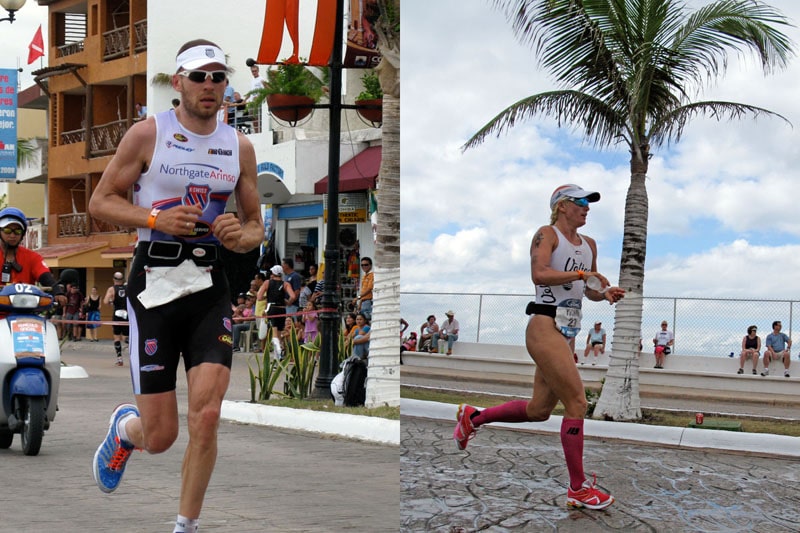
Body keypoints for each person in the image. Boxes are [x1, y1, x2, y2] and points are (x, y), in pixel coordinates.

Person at [87, 38, 263, 533]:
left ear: (226, 85)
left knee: (206, 416)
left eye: (218, 77)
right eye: (199, 76)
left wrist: (239, 234)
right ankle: (127, 430)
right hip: (154, 286)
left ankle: (185, 526)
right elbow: (101, 202)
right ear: (179, 82)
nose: (210, 86)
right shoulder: (148, 135)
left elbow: (255, 227)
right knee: (161, 436)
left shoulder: (239, 146)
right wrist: (153, 218)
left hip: (209, 283)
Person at [453, 184, 625, 511]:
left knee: (538, 410)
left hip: (567, 330)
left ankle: (473, 418)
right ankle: (578, 489)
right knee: (577, 402)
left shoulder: (589, 244)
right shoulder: (547, 235)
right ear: (561, 206)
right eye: (581, 202)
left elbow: (585, 289)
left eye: (589, 203)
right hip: (544, 326)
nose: (587, 208)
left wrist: (604, 293)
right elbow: (539, 273)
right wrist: (580, 272)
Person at [0, 207, 66, 308]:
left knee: (47, 324)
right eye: (8, 230)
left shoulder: (33, 257)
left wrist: (57, 291)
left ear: (22, 234)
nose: (12, 235)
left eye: (17, 231)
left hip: (27, 313)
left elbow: (45, 276)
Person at [104, 272, 130, 366]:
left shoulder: (111, 289)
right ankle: (133, 354)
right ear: (122, 280)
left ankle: (119, 359)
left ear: (113, 279)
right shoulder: (128, 288)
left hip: (117, 313)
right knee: (126, 336)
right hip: (127, 313)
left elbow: (105, 301)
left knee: (116, 336)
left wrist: (111, 302)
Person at [351, 256, 374, 321]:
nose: (364, 266)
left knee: (366, 319)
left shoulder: (372, 275)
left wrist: (357, 298)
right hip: (363, 302)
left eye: (366, 265)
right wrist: (360, 302)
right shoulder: (364, 276)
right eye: (362, 265)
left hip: (368, 301)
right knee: (362, 320)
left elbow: (369, 289)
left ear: (371, 265)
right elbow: (363, 292)